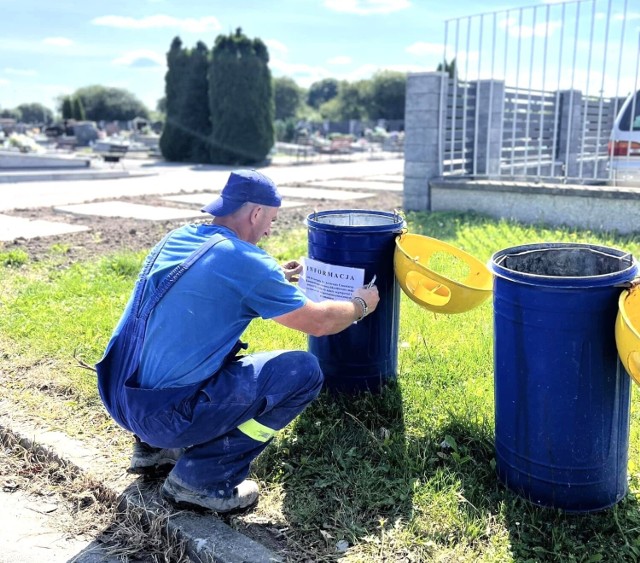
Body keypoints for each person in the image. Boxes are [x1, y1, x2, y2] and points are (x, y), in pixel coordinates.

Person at [96, 169, 379, 513]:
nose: (269, 229)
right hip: (162, 415)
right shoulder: (246, 263)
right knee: (303, 371)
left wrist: (274, 273)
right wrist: (360, 304)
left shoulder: (179, 237)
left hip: (117, 395)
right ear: (256, 213)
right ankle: (202, 479)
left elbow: (218, 274)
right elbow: (318, 322)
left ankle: (153, 451)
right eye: (270, 219)